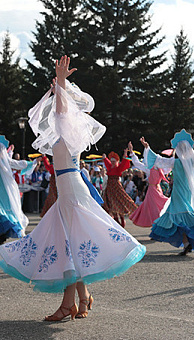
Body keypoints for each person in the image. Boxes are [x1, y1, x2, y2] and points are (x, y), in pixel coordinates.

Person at [0, 56, 146, 320]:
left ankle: (69, 304)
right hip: (69, 188)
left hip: (71, 189)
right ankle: (83, 297)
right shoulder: (67, 132)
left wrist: (63, 83)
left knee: (69, 243)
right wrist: (61, 87)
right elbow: (59, 113)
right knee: (72, 243)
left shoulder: (68, 128)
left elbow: (60, 112)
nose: (54, 102)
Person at [141, 132, 194, 255]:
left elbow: (158, 160)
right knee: (182, 218)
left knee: (181, 217)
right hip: (187, 192)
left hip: (179, 193)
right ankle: (186, 244)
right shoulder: (193, 161)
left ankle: (188, 243)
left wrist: (147, 148)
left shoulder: (176, 162)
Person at [0, 140, 38, 244]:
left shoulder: (2, 152)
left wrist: (10, 152)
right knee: (6, 210)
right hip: (4, 187)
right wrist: (31, 163)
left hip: (4, 187)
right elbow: (12, 163)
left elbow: (9, 161)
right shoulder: (2, 151)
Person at [128, 142, 169, 228]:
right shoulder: (149, 169)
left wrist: (177, 156)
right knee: (154, 209)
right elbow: (138, 163)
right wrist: (132, 152)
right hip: (152, 191)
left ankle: (161, 225)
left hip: (158, 189)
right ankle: (156, 227)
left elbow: (171, 165)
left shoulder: (162, 169)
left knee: (162, 206)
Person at [102, 149, 137, 227]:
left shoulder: (118, 168)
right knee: (110, 203)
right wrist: (104, 158)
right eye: (112, 161)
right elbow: (107, 163)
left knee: (120, 201)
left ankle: (122, 220)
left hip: (116, 187)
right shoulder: (110, 167)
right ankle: (116, 221)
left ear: (117, 162)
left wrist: (125, 154)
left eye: (114, 161)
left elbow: (124, 163)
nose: (112, 163)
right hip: (110, 187)